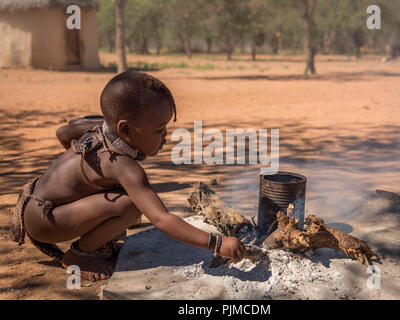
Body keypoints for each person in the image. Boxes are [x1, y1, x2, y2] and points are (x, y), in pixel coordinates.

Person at [9, 71, 245, 281]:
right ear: (125, 129)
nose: (165, 136)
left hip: (36, 203)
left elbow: (63, 133)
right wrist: (217, 243)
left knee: (122, 197)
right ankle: (78, 257)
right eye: (158, 129)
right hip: (45, 221)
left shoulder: (97, 129)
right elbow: (161, 218)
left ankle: (98, 239)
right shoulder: (123, 166)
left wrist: (87, 180)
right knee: (131, 206)